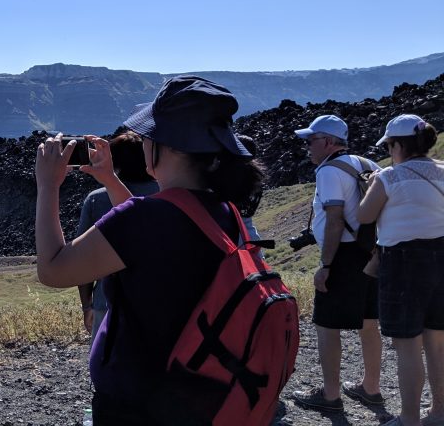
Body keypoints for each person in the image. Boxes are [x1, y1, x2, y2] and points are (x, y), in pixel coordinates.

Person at [34, 76, 265, 424]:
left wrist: (47, 185)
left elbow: (53, 270)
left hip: (140, 400)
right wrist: (111, 180)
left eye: (146, 136)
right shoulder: (224, 211)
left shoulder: (145, 219)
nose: (142, 143)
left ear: (167, 146)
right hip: (196, 389)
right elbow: (147, 236)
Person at [289, 114, 383, 413]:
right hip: (373, 252)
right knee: (369, 323)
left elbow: (334, 219)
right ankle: (371, 388)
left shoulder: (329, 171)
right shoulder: (368, 164)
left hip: (343, 256)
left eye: (311, 140)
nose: (307, 146)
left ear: (327, 142)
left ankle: (330, 395)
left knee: (326, 325)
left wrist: (326, 265)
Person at [357, 114, 444, 426]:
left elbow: (364, 216)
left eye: (390, 145)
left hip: (404, 262)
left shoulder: (389, 176)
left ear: (397, 145)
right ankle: (439, 413)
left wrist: (370, 187)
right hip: (442, 256)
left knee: (407, 346)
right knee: (437, 341)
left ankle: (409, 419)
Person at [76, 132, 158, 338]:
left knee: (107, 366)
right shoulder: (166, 192)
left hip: (107, 301)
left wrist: (87, 305)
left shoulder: (96, 200)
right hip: (158, 298)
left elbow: (84, 257)